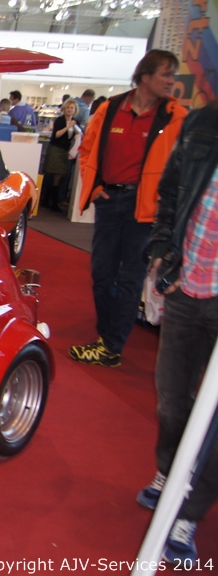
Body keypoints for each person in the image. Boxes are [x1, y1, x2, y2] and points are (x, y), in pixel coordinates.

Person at [137, 97, 218, 564]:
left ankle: (189, 511)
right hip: (187, 283)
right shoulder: (203, 121)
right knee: (171, 398)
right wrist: (162, 248)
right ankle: (170, 471)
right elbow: (170, 192)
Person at [69, 49, 187, 367]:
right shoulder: (110, 109)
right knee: (102, 273)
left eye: (172, 75)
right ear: (145, 76)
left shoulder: (175, 116)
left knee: (131, 277)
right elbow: (86, 149)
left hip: (146, 208)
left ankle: (111, 344)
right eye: (166, 74)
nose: (171, 81)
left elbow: (182, 165)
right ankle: (108, 336)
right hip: (110, 201)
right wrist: (94, 187)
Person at [40, 99, 79, 212]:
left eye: (71, 108)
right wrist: (68, 126)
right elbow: (57, 135)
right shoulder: (60, 121)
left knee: (59, 176)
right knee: (54, 175)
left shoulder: (75, 122)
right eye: (67, 107)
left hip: (64, 151)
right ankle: (51, 202)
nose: (69, 110)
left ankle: (50, 200)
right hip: (56, 150)